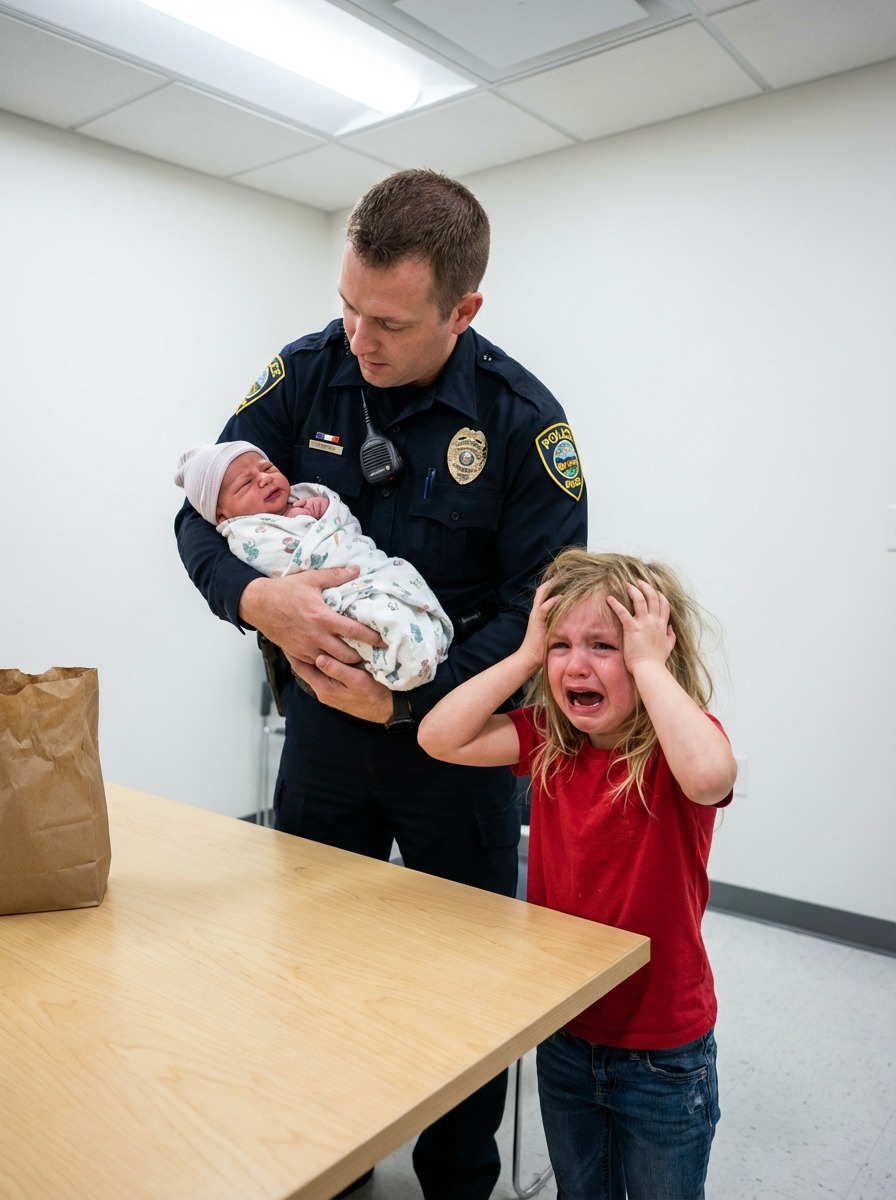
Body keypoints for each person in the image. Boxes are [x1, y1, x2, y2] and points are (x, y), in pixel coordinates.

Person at [174, 167, 587, 1200]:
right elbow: (199, 504)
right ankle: (334, 1161)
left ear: (463, 308)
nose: (360, 338)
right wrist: (250, 599)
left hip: (456, 755)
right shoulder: (306, 370)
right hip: (319, 743)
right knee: (314, 968)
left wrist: (409, 698)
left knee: (460, 990)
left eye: (389, 322)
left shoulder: (522, 422)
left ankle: (456, 1179)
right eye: (349, 306)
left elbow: (535, 609)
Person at [418, 548, 736, 1200]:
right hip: (566, 1035)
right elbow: (438, 736)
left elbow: (710, 779)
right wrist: (526, 653)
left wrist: (648, 663)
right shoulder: (545, 739)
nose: (578, 664)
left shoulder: (674, 754)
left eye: (606, 645)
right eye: (563, 645)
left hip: (663, 1051)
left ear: (655, 659)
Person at [174, 440, 453, 691]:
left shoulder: (301, 499)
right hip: (336, 597)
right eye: (245, 484)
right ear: (222, 517)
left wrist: (319, 512)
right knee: (375, 619)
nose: (263, 479)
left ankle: (422, 641)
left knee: (399, 581)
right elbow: (280, 561)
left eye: (268, 467)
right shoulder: (247, 535)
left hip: (364, 568)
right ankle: (405, 656)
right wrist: (301, 523)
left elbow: (342, 524)